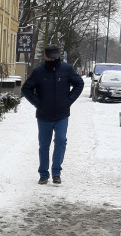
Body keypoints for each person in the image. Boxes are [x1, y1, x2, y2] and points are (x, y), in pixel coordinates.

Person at [21, 44, 84, 184]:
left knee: (61, 141)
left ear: (59, 56)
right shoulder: (39, 72)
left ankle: (56, 172)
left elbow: (79, 84)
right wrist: (38, 103)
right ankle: (43, 174)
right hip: (44, 116)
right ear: (45, 56)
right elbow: (26, 89)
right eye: (50, 57)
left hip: (62, 114)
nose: (52, 59)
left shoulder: (67, 70)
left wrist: (69, 100)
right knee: (44, 145)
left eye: (55, 56)